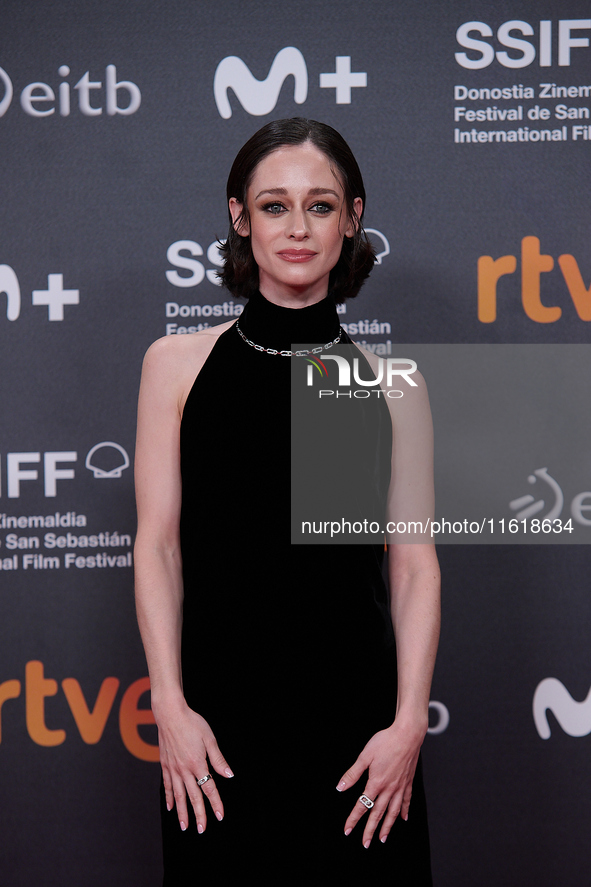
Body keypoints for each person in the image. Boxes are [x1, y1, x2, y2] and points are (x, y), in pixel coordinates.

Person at [134, 117, 440, 885]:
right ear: (238, 216)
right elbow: (158, 547)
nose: (297, 227)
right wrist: (169, 706)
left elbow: (412, 570)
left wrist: (406, 726)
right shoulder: (175, 365)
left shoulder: (391, 386)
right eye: (273, 205)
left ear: (354, 217)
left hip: (359, 739)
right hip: (215, 736)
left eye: (320, 205)